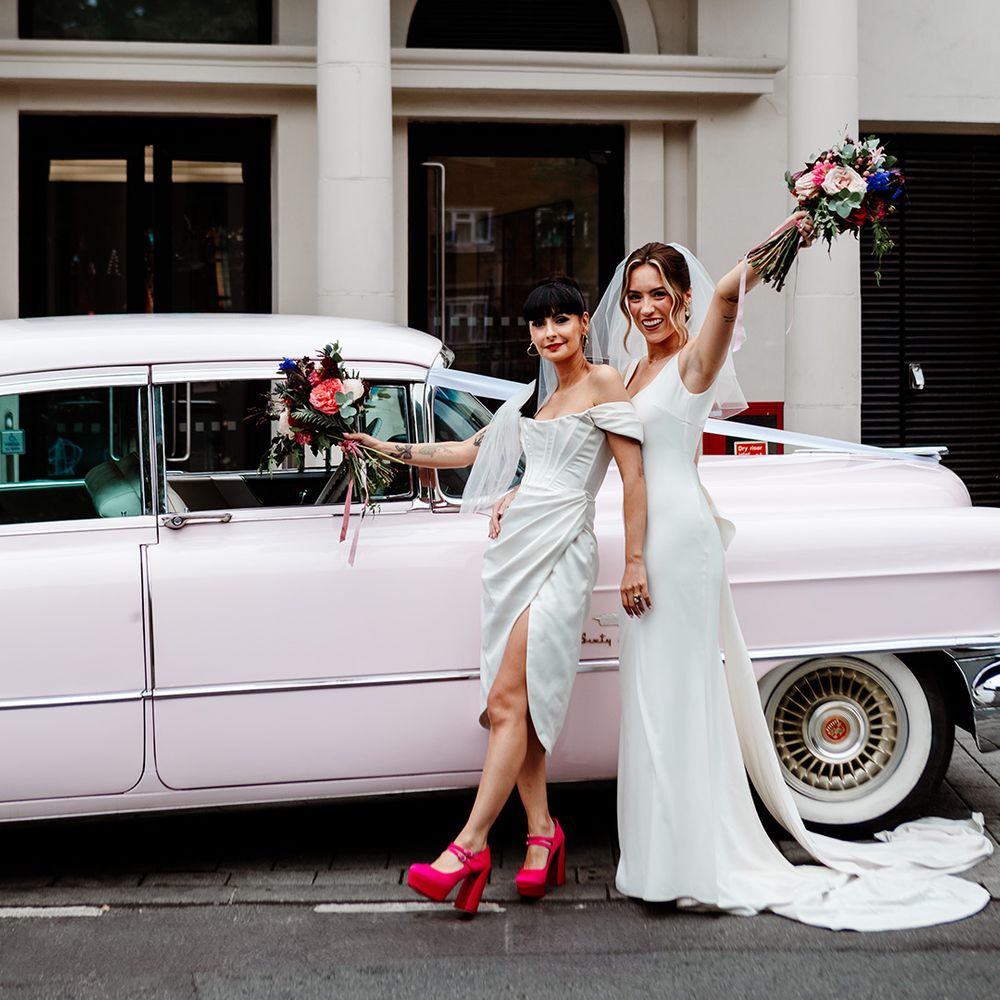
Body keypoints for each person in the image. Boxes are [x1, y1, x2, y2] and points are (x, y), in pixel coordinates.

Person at [593, 220, 992, 930]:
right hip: (648, 535)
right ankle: (657, 858)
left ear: (681, 298)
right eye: (635, 296)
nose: (645, 308)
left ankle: (694, 857)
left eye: (658, 294)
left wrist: (793, 227)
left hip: (677, 540)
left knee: (682, 694)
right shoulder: (633, 371)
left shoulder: (692, 360)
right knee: (652, 697)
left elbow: (725, 296)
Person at [346, 277, 647, 915]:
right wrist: (380, 447)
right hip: (513, 554)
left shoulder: (605, 383)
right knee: (519, 699)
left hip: (564, 547)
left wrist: (637, 560)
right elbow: (463, 449)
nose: (550, 334)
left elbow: (632, 475)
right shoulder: (535, 396)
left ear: (584, 322)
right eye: (539, 325)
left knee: (510, 697)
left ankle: (470, 844)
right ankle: (542, 834)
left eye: (562, 320)